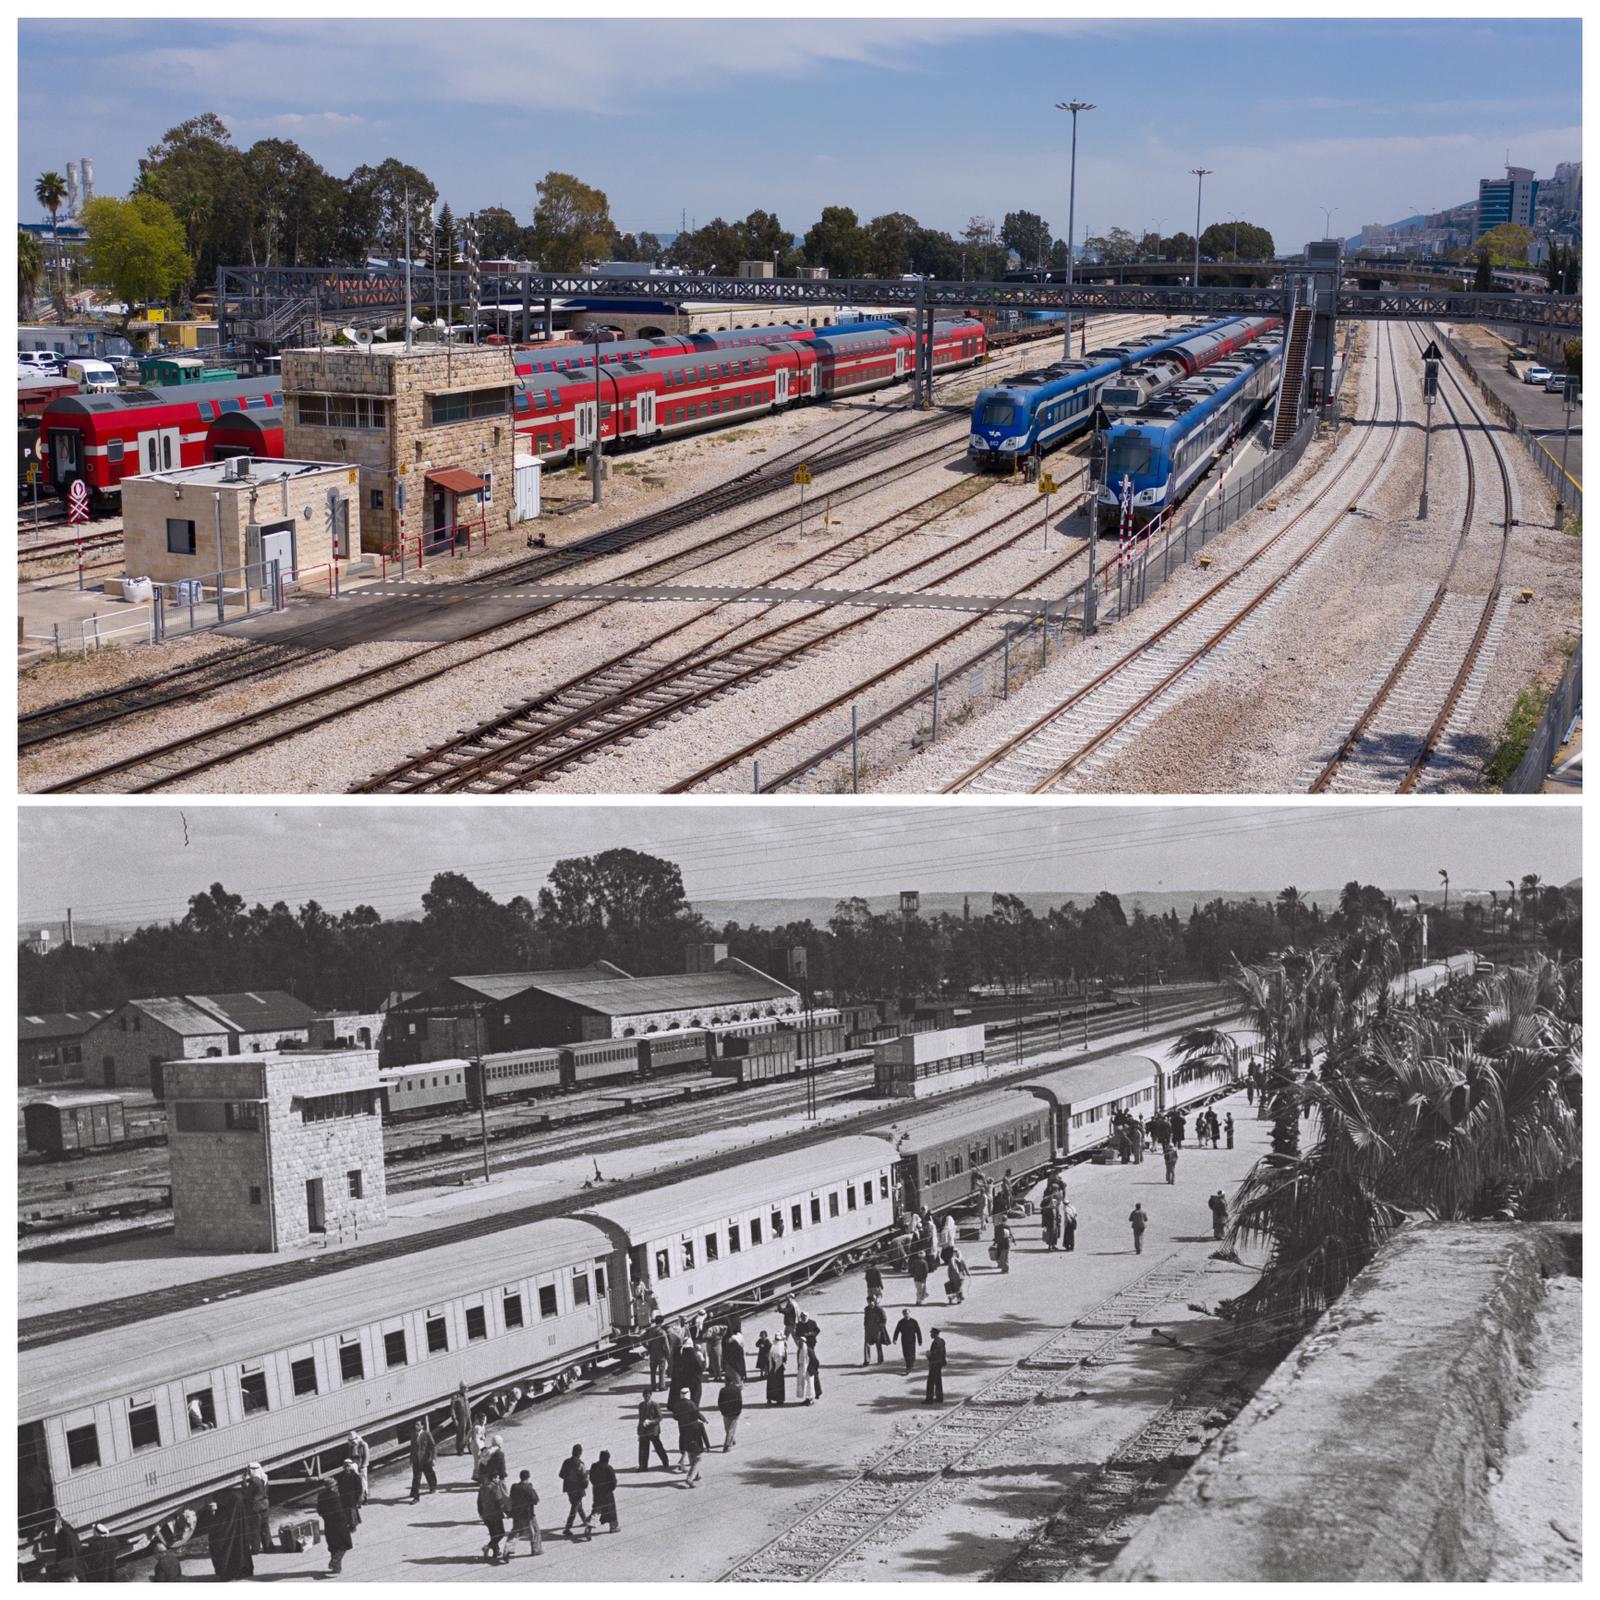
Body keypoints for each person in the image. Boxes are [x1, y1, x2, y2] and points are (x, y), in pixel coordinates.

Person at [316, 1477, 350, 1577]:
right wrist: (345, 1520)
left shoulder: (320, 1496)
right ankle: (335, 1561)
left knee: (333, 1546)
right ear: (333, 1487)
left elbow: (320, 1511)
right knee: (345, 1544)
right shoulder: (335, 1496)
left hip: (328, 1524)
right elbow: (339, 1511)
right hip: (338, 1524)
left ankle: (337, 1568)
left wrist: (326, 1518)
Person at [478, 1472, 512, 1564]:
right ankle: (487, 1547)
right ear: (493, 1479)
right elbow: (499, 1502)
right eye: (497, 1478)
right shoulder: (495, 1488)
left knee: (493, 1534)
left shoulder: (482, 1488)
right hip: (495, 1515)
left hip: (486, 1515)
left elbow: (479, 1502)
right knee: (500, 1533)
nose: (498, 1479)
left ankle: (495, 1552)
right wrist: (507, 1512)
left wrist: (481, 1513)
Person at [559, 1445, 593, 1538]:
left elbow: (561, 1475)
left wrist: (569, 1480)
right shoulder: (580, 1464)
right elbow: (585, 1480)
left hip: (569, 1488)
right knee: (575, 1507)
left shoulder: (566, 1462)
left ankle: (585, 1521)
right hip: (578, 1489)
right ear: (580, 1453)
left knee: (578, 1505)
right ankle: (568, 1528)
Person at [509, 1469, 542, 1557]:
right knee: (535, 1531)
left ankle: (508, 1549)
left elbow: (511, 1497)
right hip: (528, 1514)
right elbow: (535, 1500)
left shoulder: (514, 1487)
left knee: (515, 1532)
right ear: (528, 1477)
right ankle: (535, 1549)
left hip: (516, 1514)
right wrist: (531, 1489)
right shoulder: (528, 1488)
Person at [241, 1464, 272, 1555]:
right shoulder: (264, 1478)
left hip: (256, 1506)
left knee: (255, 1528)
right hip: (265, 1505)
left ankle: (255, 1549)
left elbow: (247, 1494)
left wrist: (243, 1482)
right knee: (265, 1527)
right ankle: (268, 1547)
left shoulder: (254, 1481)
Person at [636, 1388, 670, 1470]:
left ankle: (665, 1462)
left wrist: (651, 1422)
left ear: (650, 1396)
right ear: (643, 1396)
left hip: (653, 1431)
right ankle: (643, 1467)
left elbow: (660, 1417)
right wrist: (639, 1430)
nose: (646, 1398)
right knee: (643, 1450)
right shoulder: (641, 1405)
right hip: (644, 1431)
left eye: (648, 1396)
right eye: (645, 1396)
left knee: (658, 1448)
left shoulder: (655, 1405)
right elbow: (640, 1419)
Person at [681, 1404, 712, 1488]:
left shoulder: (685, 1425)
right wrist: (708, 1446)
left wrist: (682, 1447)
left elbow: (682, 1436)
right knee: (697, 1463)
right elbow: (704, 1436)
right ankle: (689, 1478)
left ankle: (696, 1476)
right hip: (697, 1446)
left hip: (688, 1447)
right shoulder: (699, 1425)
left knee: (692, 1462)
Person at [591, 1450, 620, 1533]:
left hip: (597, 1491)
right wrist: (609, 1489)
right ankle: (613, 1527)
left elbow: (592, 1478)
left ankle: (591, 1522)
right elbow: (613, 1483)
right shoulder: (609, 1468)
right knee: (611, 1510)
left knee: (597, 1507)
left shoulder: (594, 1466)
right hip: (607, 1493)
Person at [410, 1419, 439, 1501]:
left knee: (429, 1474)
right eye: (415, 1424)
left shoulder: (427, 1434)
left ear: (422, 1426)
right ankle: (416, 1496)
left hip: (426, 1459)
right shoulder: (413, 1435)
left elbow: (433, 1446)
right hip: (416, 1460)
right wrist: (411, 1459)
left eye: (418, 1425)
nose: (416, 1426)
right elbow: (412, 1448)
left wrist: (433, 1458)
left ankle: (433, 1486)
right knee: (416, 1478)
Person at [717, 1373, 744, 1449]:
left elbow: (720, 1402)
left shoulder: (722, 1390)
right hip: (735, 1412)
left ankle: (727, 1444)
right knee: (731, 1429)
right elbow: (739, 1401)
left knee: (727, 1428)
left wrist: (722, 1411)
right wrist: (739, 1410)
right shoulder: (736, 1389)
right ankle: (730, 1442)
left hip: (725, 1412)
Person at [337, 1459, 363, 1532]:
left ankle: (353, 1526)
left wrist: (359, 1496)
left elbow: (359, 1487)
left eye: (348, 1466)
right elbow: (339, 1486)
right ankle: (348, 1524)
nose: (346, 1468)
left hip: (352, 1497)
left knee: (352, 1511)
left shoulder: (354, 1476)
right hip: (343, 1497)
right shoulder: (341, 1475)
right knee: (345, 1511)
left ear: (350, 1466)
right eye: (345, 1466)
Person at [863, 1296, 890, 1364]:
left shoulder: (879, 1309)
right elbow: (866, 1318)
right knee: (867, 1344)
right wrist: (865, 1326)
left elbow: (884, 1319)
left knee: (878, 1344)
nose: (870, 1303)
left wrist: (880, 1326)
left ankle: (880, 1359)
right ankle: (867, 1360)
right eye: (868, 1302)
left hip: (877, 1330)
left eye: (871, 1301)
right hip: (868, 1329)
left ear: (874, 1301)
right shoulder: (867, 1309)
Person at [346, 1428, 370, 1502]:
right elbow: (350, 1455)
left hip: (361, 1464)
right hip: (354, 1464)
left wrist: (363, 1465)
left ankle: (365, 1497)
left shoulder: (363, 1444)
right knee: (356, 1482)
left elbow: (366, 1456)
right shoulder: (351, 1446)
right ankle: (358, 1498)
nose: (352, 1443)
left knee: (363, 1482)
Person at [645, 1321, 670, 1391]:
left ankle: (653, 1387)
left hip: (652, 1354)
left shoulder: (650, 1331)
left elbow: (643, 1340)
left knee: (652, 1372)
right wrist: (668, 1353)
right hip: (661, 1354)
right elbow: (666, 1344)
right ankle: (662, 1386)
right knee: (662, 1371)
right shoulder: (662, 1332)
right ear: (661, 1322)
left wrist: (648, 1348)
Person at [450, 1381, 473, 1456]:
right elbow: (452, 1409)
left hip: (468, 1416)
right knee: (461, 1434)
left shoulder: (465, 1395)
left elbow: (467, 1405)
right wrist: (455, 1419)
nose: (467, 1390)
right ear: (462, 1388)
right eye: (466, 1388)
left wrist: (469, 1412)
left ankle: (471, 1448)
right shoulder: (455, 1397)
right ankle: (460, 1450)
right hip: (461, 1418)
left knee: (469, 1432)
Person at [925, 1328, 948, 1404]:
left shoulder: (935, 1343)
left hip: (934, 1364)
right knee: (938, 1381)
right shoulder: (941, 1341)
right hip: (939, 1364)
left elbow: (934, 1354)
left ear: (935, 1334)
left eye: (932, 1333)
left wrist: (928, 1355)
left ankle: (929, 1399)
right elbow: (943, 1353)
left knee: (930, 1382)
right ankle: (939, 1398)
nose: (930, 1335)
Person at [765, 1333, 788, 1405]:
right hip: (779, 1368)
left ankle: (770, 1398)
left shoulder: (772, 1346)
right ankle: (779, 1399)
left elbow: (768, 1357)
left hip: (771, 1368)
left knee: (771, 1384)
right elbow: (784, 1358)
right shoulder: (782, 1347)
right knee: (779, 1384)